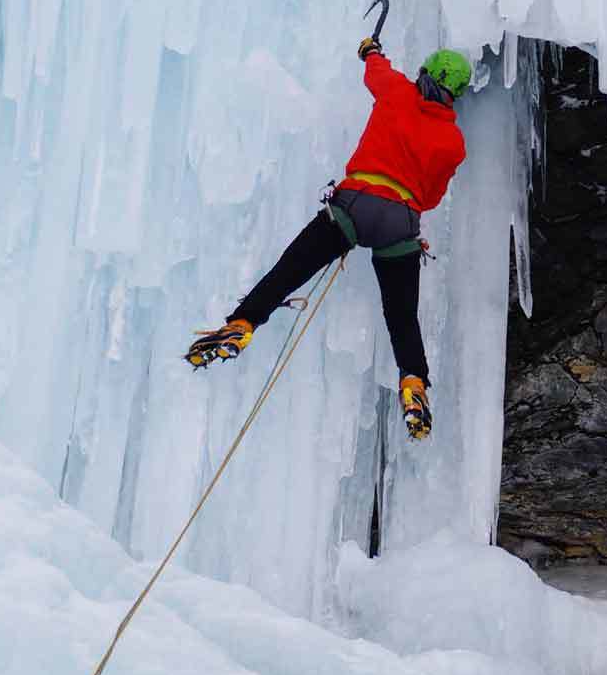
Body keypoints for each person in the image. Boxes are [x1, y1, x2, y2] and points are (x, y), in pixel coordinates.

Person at [185, 34, 472, 441]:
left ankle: (242, 323)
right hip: (401, 220)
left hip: (354, 203)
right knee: (401, 315)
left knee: (289, 270)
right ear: (455, 94)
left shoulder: (397, 92)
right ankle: (414, 384)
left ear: (425, 72)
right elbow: (432, 195)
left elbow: (375, 71)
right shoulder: (453, 142)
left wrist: (370, 49)